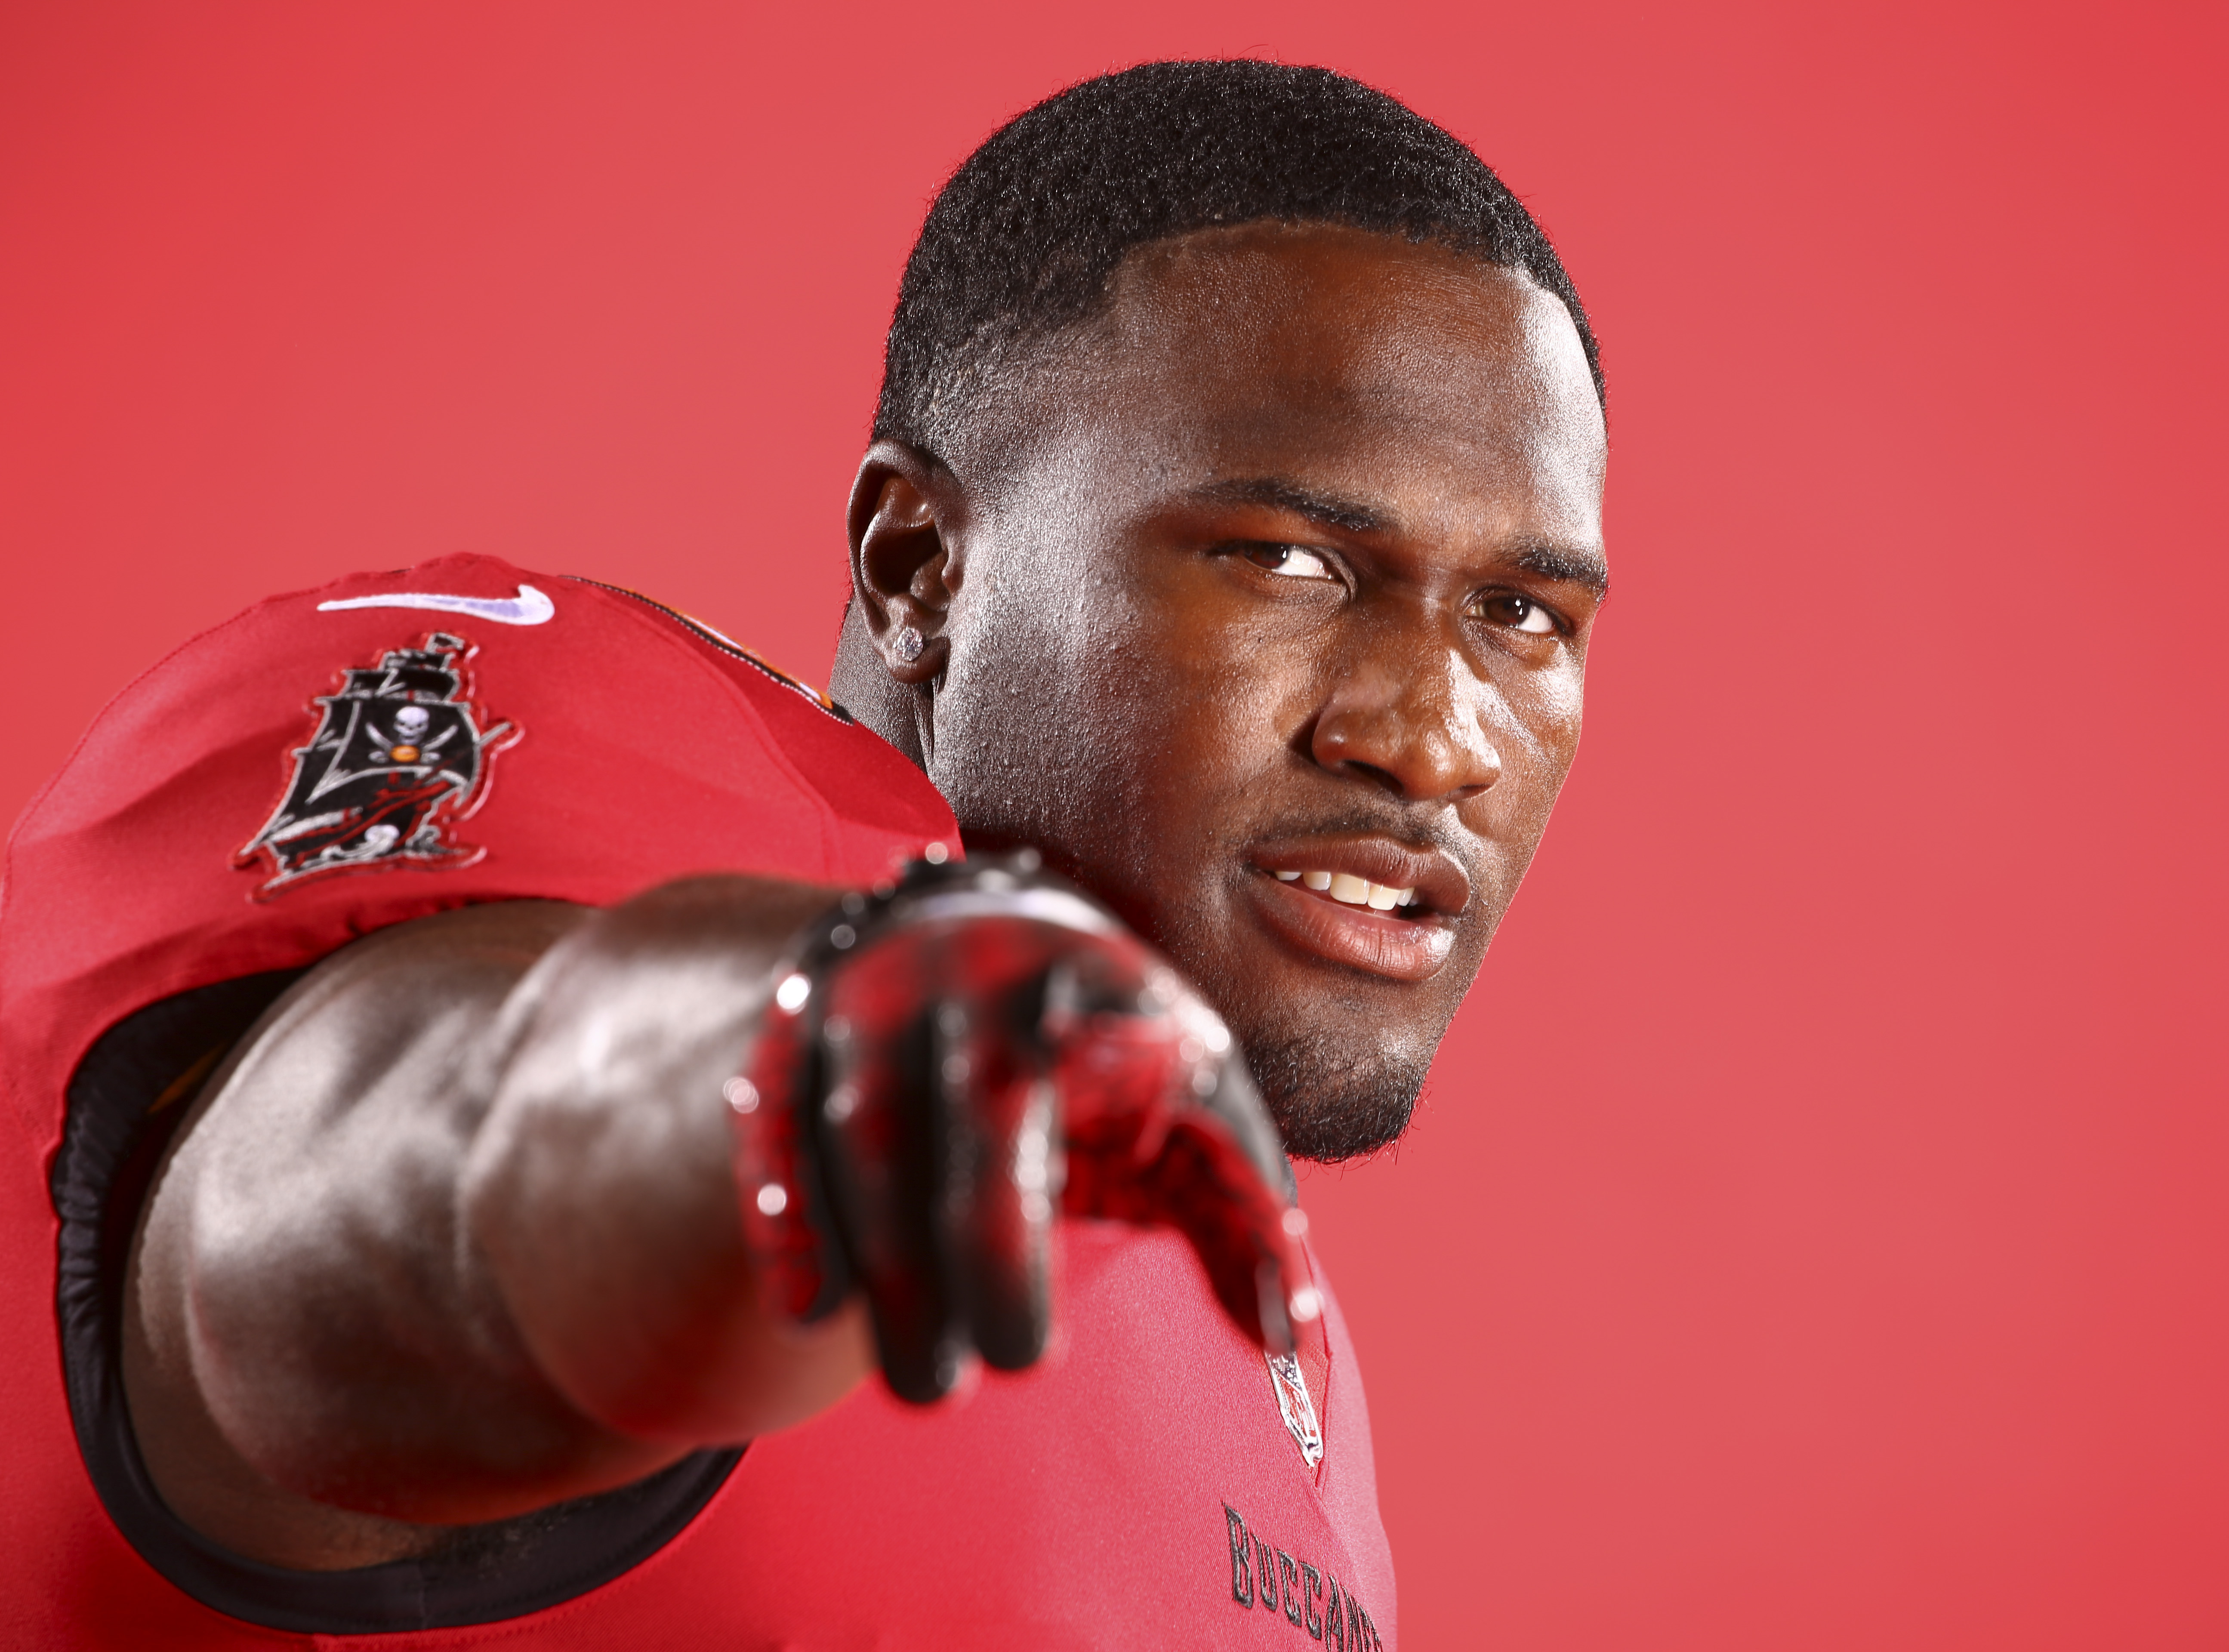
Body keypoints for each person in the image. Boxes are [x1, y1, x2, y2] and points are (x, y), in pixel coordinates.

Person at [0, 59, 1608, 1649]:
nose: (1435, 738)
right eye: (1288, 559)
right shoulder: (659, 790)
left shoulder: (1261, 1325)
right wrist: (758, 1095)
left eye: (1524, 614)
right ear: (917, 567)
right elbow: (345, 1209)